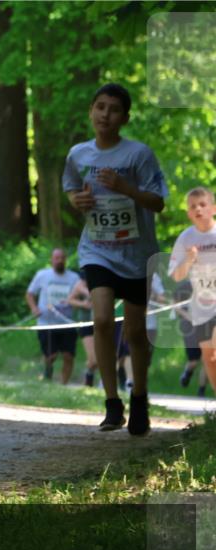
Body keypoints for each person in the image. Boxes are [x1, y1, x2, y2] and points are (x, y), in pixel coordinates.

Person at [63, 82, 168, 434]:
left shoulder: (138, 155)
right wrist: (76, 200)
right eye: (100, 107)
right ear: (91, 111)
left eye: (114, 110)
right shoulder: (78, 154)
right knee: (103, 320)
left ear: (125, 118)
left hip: (136, 254)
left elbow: (158, 202)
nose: (106, 115)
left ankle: (139, 397)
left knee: (136, 333)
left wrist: (126, 189)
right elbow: (71, 188)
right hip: (97, 250)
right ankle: (112, 403)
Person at [169, 186, 216, 396]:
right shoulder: (186, 238)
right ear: (188, 213)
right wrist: (189, 260)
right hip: (202, 306)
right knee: (209, 357)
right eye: (193, 206)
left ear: (213, 209)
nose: (198, 209)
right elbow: (177, 276)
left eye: (202, 204)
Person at [26, 248, 80, 384]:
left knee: (68, 356)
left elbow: (80, 295)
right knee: (51, 355)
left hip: (67, 323)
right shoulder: (42, 275)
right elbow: (30, 293)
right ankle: (47, 372)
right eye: (57, 258)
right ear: (51, 259)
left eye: (62, 258)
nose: (59, 261)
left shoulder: (74, 278)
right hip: (46, 323)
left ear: (65, 260)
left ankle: (64, 384)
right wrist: (34, 308)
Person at [173, 279, 209, 397]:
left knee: (207, 359)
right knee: (194, 361)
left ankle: (201, 391)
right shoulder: (185, 286)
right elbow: (175, 305)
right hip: (189, 327)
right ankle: (188, 372)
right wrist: (188, 316)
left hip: (207, 326)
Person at [67, 270, 98, 387]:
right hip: (86, 324)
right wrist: (83, 304)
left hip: (101, 324)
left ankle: (98, 381)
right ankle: (89, 377)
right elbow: (70, 300)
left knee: (102, 357)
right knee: (93, 360)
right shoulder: (80, 284)